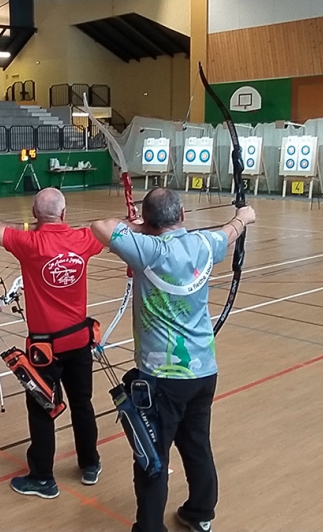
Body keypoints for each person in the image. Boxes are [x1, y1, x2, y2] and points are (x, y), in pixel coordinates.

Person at [90, 188, 256, 532]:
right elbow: (231, 230)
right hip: (202, 372)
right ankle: (200, 514)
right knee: (197, 444)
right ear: (182, 216)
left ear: (149, 223)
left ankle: (150, 527)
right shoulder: (204, 245)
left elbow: (101, 225)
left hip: (161, 379)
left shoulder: (146, 249)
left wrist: (138, 227)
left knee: (151, 455)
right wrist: (244, 216)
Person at [0, 187, 104, 499]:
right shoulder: (83, 239)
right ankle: (90, 463)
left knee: (42, 407)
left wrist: (33, 228)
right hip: (78, 342)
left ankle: (43, 478)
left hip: (45, 350)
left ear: (34, 214)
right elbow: (112, 228)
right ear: (64, 213)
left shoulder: (29, 242)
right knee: (82, 403)